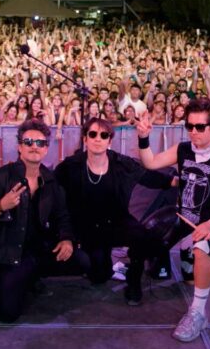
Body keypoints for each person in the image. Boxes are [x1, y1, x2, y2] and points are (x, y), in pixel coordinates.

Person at [136, 98, 210, 342]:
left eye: (200, 127)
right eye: (189, 126)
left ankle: (198, 314)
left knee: (201, 250)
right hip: (184, 217)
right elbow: (150, 163)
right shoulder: (183, 149)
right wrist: (143, 137)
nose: (193, 132)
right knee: (148, 238)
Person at [0, 118, 88, 322]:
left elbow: (62, 216)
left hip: (40, 251)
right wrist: (1, 206)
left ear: (46, 149)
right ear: (19, 146)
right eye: (28, 142)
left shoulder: (50, 180)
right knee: (6, 314)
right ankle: (11, 279)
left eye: (40, 143)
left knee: (82, 261)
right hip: (8, 255)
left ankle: (31, 276)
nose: (34, 147)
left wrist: (66, 238)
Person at [54, 117, 176, 305]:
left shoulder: (121, 163)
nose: (98, 139)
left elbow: (147, 177)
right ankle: (105, 267)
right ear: (85, 139)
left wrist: (173, 182)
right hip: (87, 226)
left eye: (104, 135)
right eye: (92, 134)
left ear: (110, 141)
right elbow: (51, 184)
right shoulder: (71, 165)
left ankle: (133, 280)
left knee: (142, 236)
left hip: (116, 221)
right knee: (99, 276)